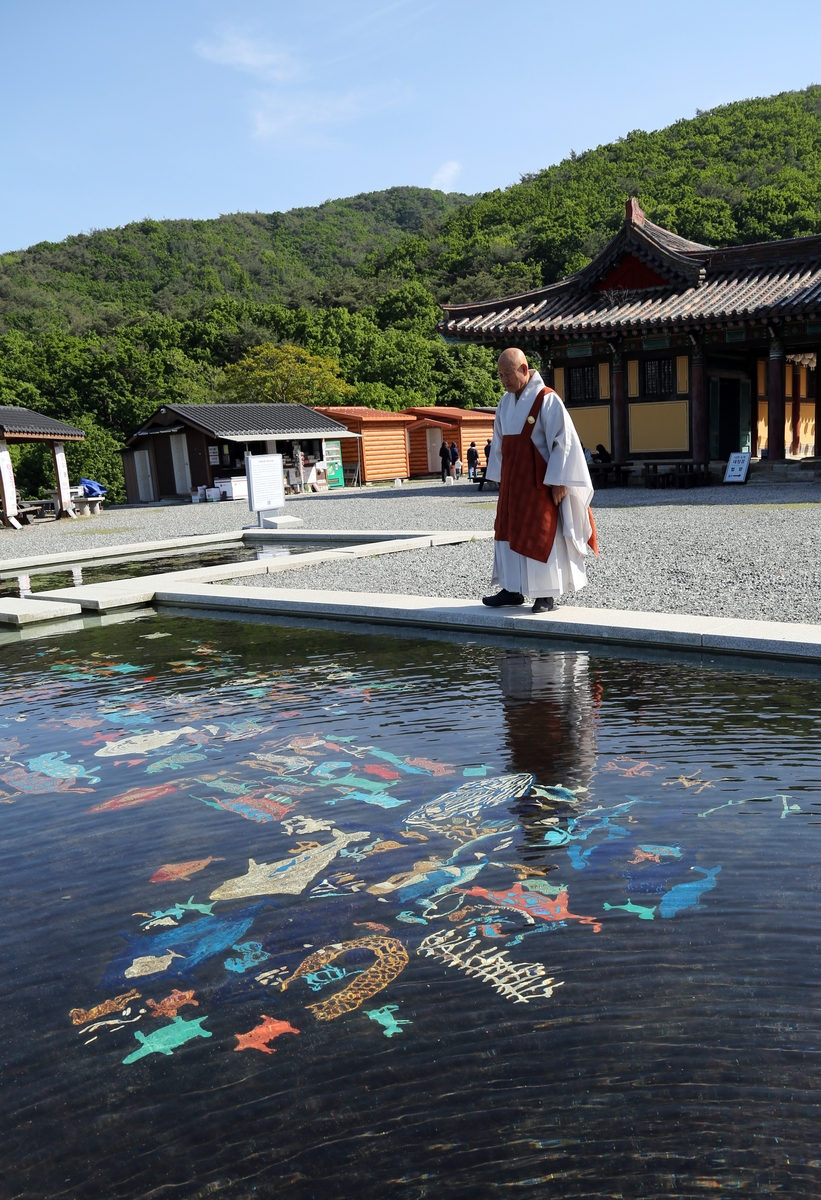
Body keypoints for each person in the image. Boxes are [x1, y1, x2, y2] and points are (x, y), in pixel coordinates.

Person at [482, 347, 597, 615]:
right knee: (507, 531)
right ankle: (512, 588)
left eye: (508, 374)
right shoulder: (504, 403)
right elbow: (499, 445)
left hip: (539, 481)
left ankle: (546, 594)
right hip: (513, 481)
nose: (504, 380)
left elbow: (564, 441)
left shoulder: (547, 399)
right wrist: (500, 479)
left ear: (524, 369)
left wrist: (560, 480)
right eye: (500, 375)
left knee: (542, 531)